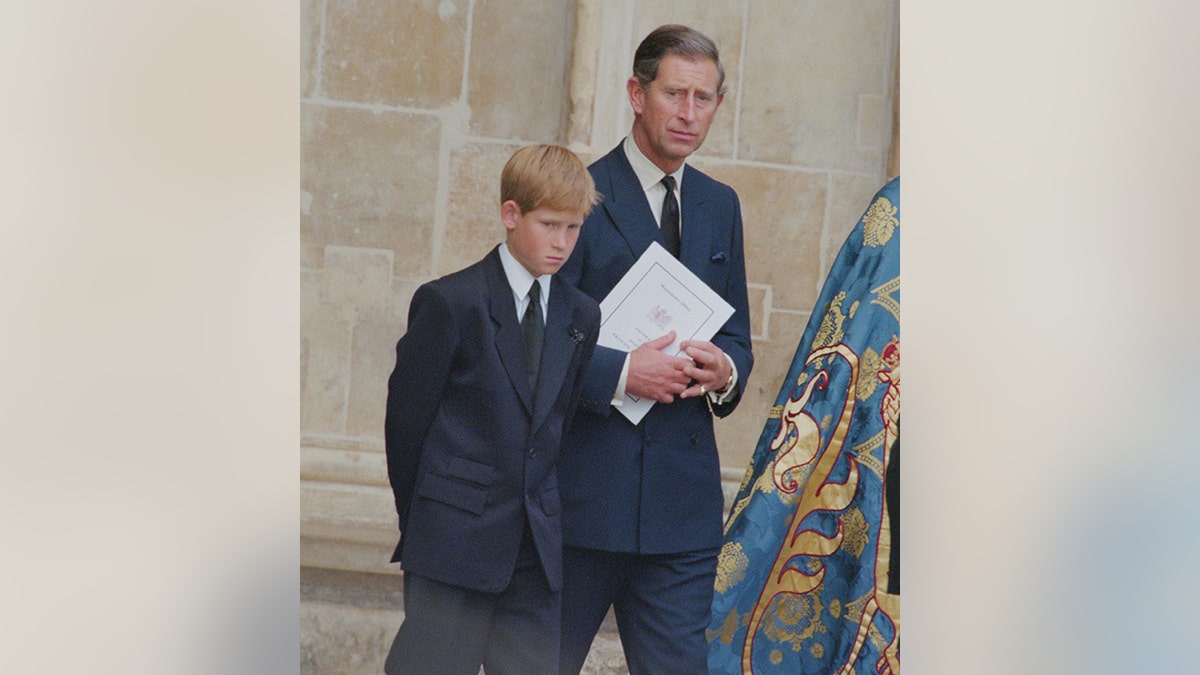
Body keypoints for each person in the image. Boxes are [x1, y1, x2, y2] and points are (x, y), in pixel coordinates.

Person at [556, 24, 754, 675]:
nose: (689, 113)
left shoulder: (719, 205)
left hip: (682, 512)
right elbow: (531, 341)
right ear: (637, 93)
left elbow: (737, 339)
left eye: (704, 98)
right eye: (675, 94)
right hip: (581, 502)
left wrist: (723, 369)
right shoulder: (575, 197)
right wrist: (620, 372)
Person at [382, 144, 601, 675]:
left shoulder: (581, 314)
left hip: (535, 554)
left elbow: (557, 422)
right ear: (510, 214)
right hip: (452, 544)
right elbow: (405, 428)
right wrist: (433, 518)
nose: (562, 242)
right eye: (549, 224)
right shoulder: (450, 302)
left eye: (573, 229)